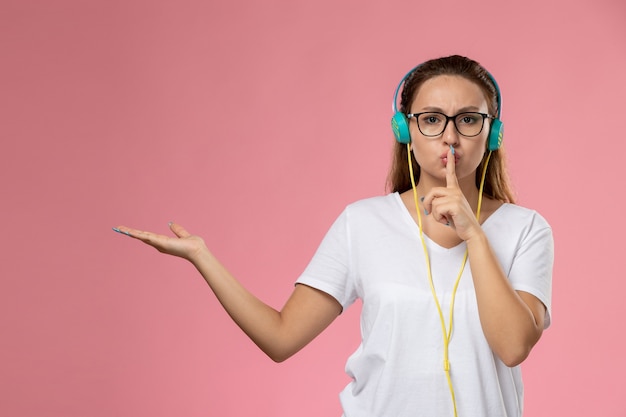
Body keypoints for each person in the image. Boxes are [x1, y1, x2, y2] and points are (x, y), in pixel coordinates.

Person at [113, 55, 553, 417]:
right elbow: (281, 337)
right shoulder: (361, 223)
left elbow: (513, 347)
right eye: (432, 119)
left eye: (469, 120)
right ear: (405, 130)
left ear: (492, 132)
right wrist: (201, 256)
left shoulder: (526, 229)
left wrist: (475, 236)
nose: (451, 137)